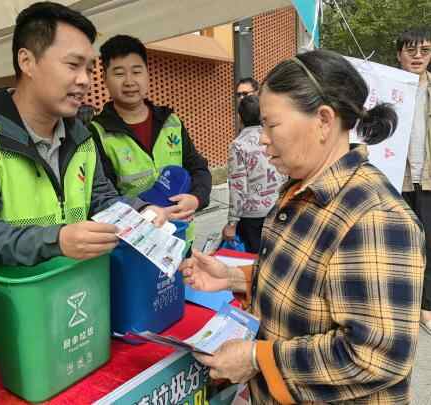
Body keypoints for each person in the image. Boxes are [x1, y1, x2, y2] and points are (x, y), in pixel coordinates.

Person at [180, 49, 425, 404]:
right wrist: (234, 278)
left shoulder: (375, 216)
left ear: (323, 120)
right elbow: (313, 278)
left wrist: (257, 357)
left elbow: (376, 356)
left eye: (271, 124)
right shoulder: (301, 188)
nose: (263, 138)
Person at [0, 2, 166, 267]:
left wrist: (140, 210)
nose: (85, 80)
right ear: (27, 62)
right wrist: (56, 240)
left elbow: (101, 199)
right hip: (7, 293)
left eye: (89, 69)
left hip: (74, 287)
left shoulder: (81, 137)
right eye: (73, 65)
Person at [89, 35, 212, 240]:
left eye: (136, 71)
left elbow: (198, 167)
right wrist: (147, 212)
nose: (129, 82)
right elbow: (104, 197)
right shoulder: (97, 132)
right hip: (137, 241)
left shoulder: (170, 121)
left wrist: (196, 198)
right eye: (119, 73)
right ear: (105, 79)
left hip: (180, 237)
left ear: (147, 74)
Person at [397, 27, 431, 334]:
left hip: (429, 179)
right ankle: (403, 304)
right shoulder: (387, 88)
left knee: (429, 243)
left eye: (424, 51)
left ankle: (426, 306)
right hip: (399, 179)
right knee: (402, 244)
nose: (418, 56)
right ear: (399, 55)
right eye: (411, 50)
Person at [222, 95, 286, 253]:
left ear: (240, 117)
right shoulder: (274, 139)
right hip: (278, 209)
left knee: (253, 259)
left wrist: (232, 223)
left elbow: (238, 187)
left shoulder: (238, 146)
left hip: (252, 217)